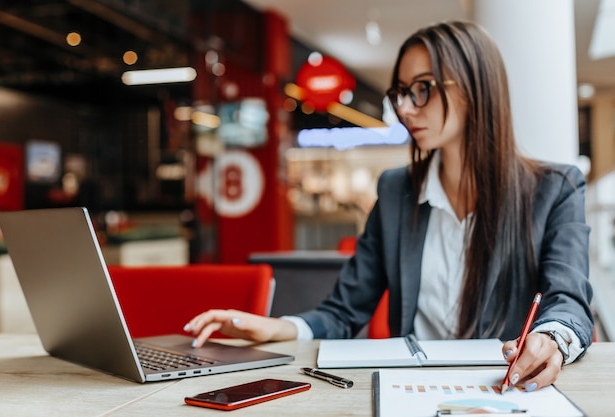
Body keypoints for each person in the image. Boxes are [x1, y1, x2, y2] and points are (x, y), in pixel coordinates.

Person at [184, 20, 594, 392]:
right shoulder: (397, 191)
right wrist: (275, 327)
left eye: (423, 88)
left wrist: (551, 340)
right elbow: (345, 311)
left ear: (475, 88)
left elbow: (569, 301)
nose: (405, 108)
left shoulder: (553, 189)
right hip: (411, 392)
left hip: (502, 392)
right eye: (401, 92)